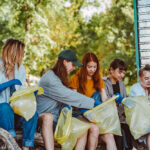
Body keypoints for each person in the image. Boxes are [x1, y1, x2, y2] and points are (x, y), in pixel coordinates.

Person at [36, 49, 97, 150]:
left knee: (83, 129)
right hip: (44, 120)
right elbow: (69, 96)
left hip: (58, 119)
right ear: (65, 62)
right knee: (49, 117)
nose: (74, 68)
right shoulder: (50, 79)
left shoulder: (60, 77)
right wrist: (94, 103)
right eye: (73, 65)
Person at [70, 52, 117, 150]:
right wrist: (90, 102)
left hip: (94, 114)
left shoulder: (98, 79)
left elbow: (104, 98)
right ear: (84, 66)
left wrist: (111, 101)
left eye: (94, 67)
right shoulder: (75, 79)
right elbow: (74, 102)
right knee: (92, 129)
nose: (92, 70)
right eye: (89, 67)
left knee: (99, 130)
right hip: (78, 113)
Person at [0, 39, 38, 150]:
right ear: (14, 52)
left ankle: (26, 147)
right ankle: (11, 142)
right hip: (2, 113)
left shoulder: (20, 68)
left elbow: (21, 91)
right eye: (21, 52)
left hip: (15, 112)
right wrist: (7, 84)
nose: (23, 55)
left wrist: (29, 93)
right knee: (5, 107)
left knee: (32, 113)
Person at [103, 58, 137, 150]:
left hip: (121, 117)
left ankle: (132, 148)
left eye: (124, 73)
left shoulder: (121, 83)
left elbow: (124, 100)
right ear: (111, 70)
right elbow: (104, 101)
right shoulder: (103, 82)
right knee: (121, 130)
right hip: (109, 118)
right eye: (120, 72)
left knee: (127, 128)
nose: (122, 75)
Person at [130, 64, 150, 150]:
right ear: (139, 78)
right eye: (146, 78)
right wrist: (146, 92)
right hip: (137, 120)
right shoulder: (135, 88)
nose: (149, 81)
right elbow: (142, 106)